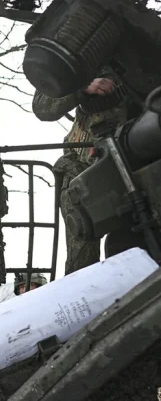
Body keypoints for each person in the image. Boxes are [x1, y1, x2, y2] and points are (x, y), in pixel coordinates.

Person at [33, 72, 141, 274]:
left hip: (138, 164)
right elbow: (43, 106)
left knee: (133, 250)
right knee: (83, 250)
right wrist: (82, 86)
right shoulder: (85, 56)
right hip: (83, 167)